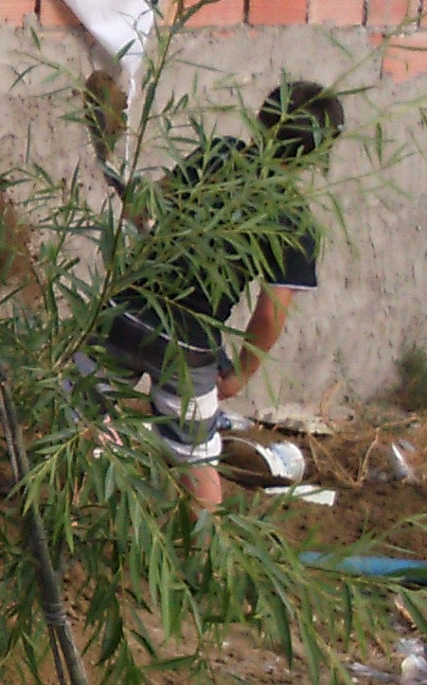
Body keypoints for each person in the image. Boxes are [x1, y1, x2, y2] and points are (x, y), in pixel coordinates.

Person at [87, 82, 344, 509]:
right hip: (186, 350)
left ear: (261, 120)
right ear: (319, 154)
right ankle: (206, 559)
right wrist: (240, 374)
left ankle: (68, 524)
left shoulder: (218, 154)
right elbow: (269, 316)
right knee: (197, 461)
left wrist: (126, 189)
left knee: (82, 420)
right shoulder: (294, 219)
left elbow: (143, 210)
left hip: (124, 314)